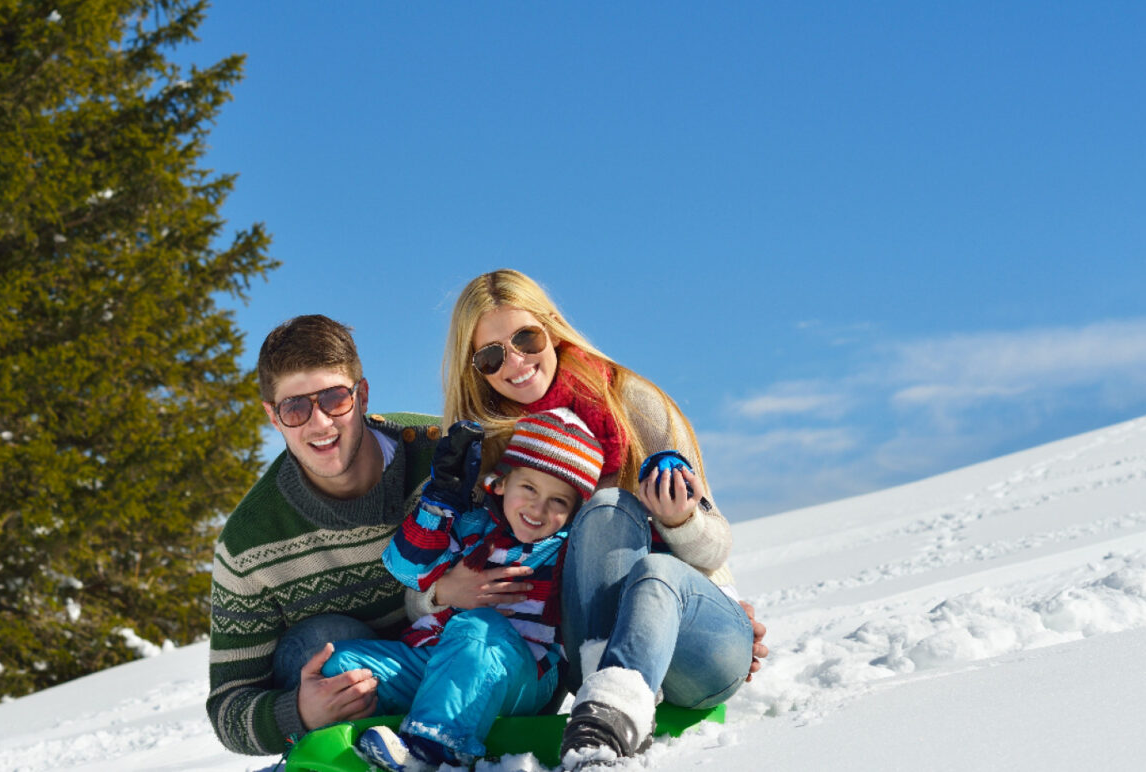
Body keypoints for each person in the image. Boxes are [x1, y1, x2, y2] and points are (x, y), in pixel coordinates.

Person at [430, 269, 769, 769]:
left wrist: (680, 524)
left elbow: (715, 547)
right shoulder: (485, 450)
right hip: (574, 658)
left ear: (551, 327)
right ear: (474, 368)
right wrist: (439, 592)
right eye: (492, 355)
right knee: (602, 518)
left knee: (620, 526)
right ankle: (605, 708)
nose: (516, 362)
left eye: (526, 338)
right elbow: (436, 554)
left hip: (686, 639)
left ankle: (607, 702)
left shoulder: (631, 402)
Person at [205, 315, 445, 757]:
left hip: (464, 664)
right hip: (356, 709)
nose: (319, 423)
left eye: (334, 399)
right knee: (327, 639)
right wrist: (298, 712)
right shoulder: (249, 546)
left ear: (363, 395)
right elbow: (227, 706)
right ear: (273, 418)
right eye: (295, 408)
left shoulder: (443, 452)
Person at [323, 409, 603, 771]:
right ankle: (340, 753)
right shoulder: (474, 526)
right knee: (344, 667)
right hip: (439, 659)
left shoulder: (567, 550)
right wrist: (439, 502)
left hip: (519, 676)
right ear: (501, 484)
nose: (538, 507)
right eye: (529, 488)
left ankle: (431, 751)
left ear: (574, 512)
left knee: (478, 629)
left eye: (558, 501)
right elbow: (406, 569)